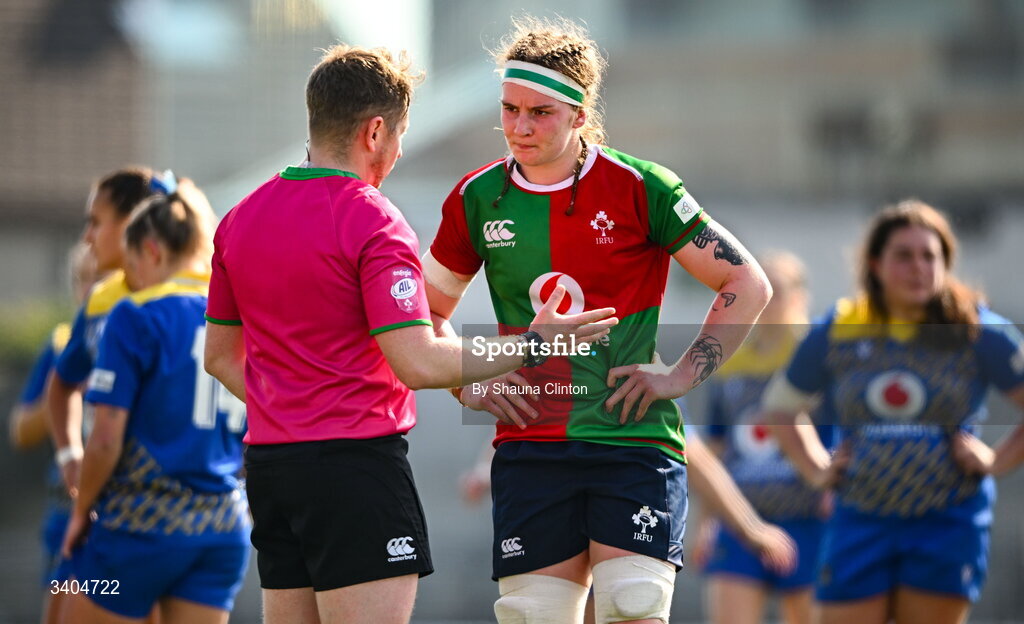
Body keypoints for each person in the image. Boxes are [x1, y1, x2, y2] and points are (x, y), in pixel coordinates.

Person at [202, 44, 616, 624]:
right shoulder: (372, 218)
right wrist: (537, 342)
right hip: (354, 468)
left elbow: (220, 357)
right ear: (376, 132)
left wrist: (291, 404)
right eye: (398, 138)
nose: (395, 153)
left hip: (272, 469)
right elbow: (418, 361)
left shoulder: (239, 218)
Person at [424, 16, 771, 624]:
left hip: (632, 440)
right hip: (531, 443)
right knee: (531, 614)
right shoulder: (474, 199)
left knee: (631, 608)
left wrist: (681, 376)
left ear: (580, 116)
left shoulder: (643, 187)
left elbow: (745, 282)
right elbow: (426, 314)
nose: (520, 127)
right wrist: (470, 384)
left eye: (541, 113)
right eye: (510, 109)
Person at [764, 200, 1024, 624]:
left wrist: (996, 460)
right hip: (860, 518)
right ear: (875, 263)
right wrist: (816, 469)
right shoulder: (840, 328)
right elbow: (780, 409)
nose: (919, 267)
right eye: (904, 255)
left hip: (947, 520)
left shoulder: (975, 329)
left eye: (930, 256)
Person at [60, 178, 250, 624]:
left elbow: (106, 437)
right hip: (221, 529)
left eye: (130, 266)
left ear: (151, 251)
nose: (129, 280)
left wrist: (81, 508)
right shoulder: (238, 317)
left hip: (138, 527)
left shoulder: (134, 314)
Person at [693, 251, 833, 624]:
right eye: (762, 290)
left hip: (807, 519)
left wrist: (835, 492)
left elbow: (839, 433)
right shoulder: (727, 361)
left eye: (778, 290)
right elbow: (714, 448)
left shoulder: (819, 360)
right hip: (740, 519)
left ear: (800, 297)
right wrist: (707, 522)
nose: (768, 302)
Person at [47, 167, 162, 499]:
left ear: (131, 224)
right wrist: (70, 456)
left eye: (96, 222)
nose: (86, 237)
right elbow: (61, 385)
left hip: (183, 502)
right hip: (115, 496)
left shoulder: (188, 299)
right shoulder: (101, 300)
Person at [8, 242, 95, 624]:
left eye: (103, 278)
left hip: (124, 512)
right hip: (68, 507)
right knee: (63, 609)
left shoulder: (139, 335)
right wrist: (63, 393)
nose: (91, 290)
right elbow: (21, 431)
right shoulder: (61, 344)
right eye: (83, 280)